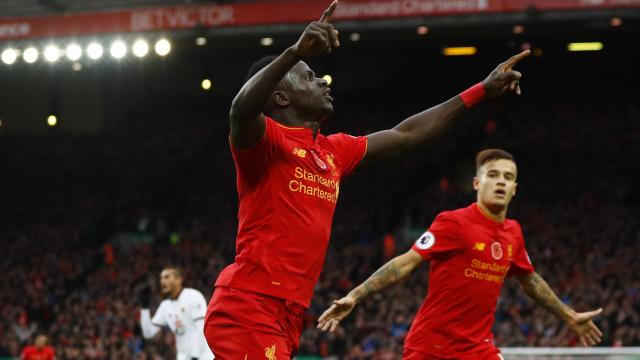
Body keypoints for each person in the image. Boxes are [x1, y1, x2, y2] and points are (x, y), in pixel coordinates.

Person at [204, 0, 531, 357]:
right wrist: (294, 51)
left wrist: (480, 91)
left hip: (289, 309)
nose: (322, 81)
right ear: (280, 96)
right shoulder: (264, 142)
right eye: (308, 77)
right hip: (248, 303)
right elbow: (240, 109)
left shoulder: (334, 150)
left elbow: (406, 134)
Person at [317, 149, 604, 359]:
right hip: (432, 348)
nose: (501, 182)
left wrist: (568, 316)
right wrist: (355, 295)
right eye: (493, 175)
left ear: (515, 189)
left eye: (508, 177)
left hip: (478, 349)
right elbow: (406, 262)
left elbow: (529, 279)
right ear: (477, 183)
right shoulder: (453, 222)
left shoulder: (513, 232)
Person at [139, 267, 214, 360]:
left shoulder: (193, 296)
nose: (163, 281)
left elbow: (201, 328)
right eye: (161, 278)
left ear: (179, 280)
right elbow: (148, 333)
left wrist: (195, 355)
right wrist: (145, 308)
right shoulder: (165, 306)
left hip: (203, 356)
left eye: (167, 277)